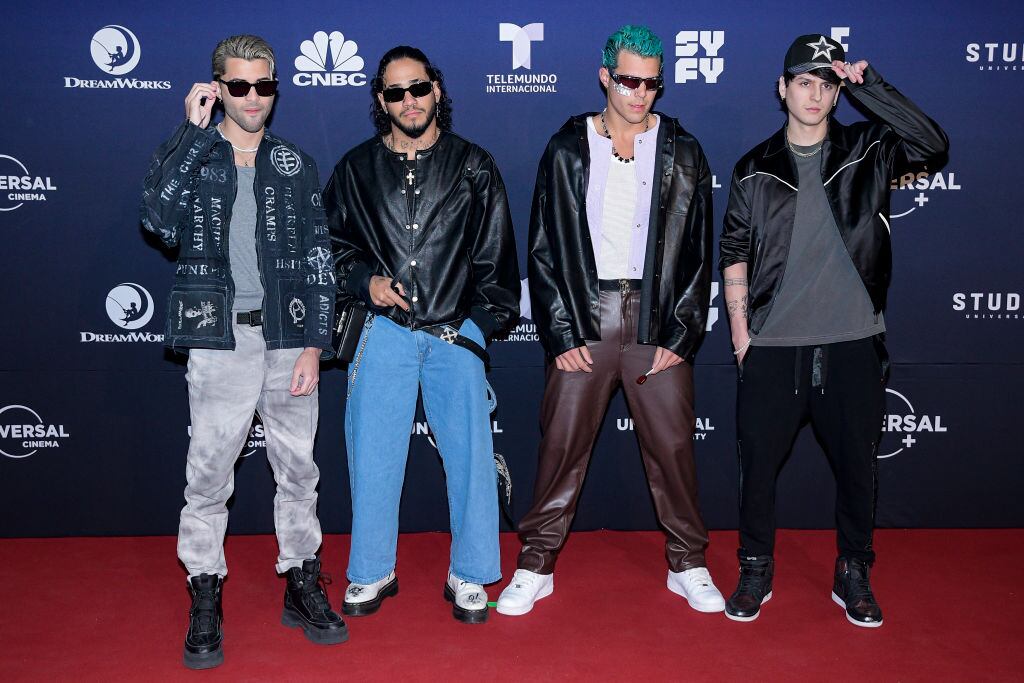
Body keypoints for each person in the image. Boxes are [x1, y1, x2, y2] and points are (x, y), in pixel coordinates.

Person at [719, 34, 948, 626]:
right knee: (758, 470)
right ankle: (755, 567)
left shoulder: (869, 148)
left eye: (826, 84)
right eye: (804, 82)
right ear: (782, 88)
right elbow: (735, 250)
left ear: (837, 92)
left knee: (856, 467)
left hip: (852, 341)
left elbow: (932, 143)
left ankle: (853, 572)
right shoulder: (754, 168)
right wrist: (742, 334)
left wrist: (871, 86)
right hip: (773, 345)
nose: (815, 94)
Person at [496, 25, 722, 617]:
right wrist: (562, 331)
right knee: (561, 446)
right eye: (628, 80)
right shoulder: (569, 146)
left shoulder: (684, 149)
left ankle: (689, 562)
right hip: (587, 313)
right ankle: (536, 563)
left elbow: (699, 249)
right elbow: (543, 247)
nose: (640, 92)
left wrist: (682, 331)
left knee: (674, 448)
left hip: (656, 316)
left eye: (651, 82)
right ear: (605, 76)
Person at [140, 34, 344, 669]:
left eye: (264, 86)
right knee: (208, 474)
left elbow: (318, 259)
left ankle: (302, 579)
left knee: (299, 469)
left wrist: (316, 343)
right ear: (216, 87)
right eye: (239, 86)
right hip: (217, 334)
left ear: (275, 88)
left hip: (288, 336)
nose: (253, 98)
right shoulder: (196, 157)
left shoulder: (296, 164)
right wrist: (190, 133)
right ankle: (205, 589)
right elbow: (157, 218)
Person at [325, 46, 520, 624]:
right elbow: (329, 250)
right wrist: (365, 281)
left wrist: (476, 331)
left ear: (437, 89)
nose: (408, 101)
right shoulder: (355, 169)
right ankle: (370, 569)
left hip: (454, 333)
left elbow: (497, 261)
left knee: (471, 460)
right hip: (382, 332)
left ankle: (473, 571)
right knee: (374, 456)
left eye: (418, 88)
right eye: (395, 93)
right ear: (381, 102)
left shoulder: (474, 166)